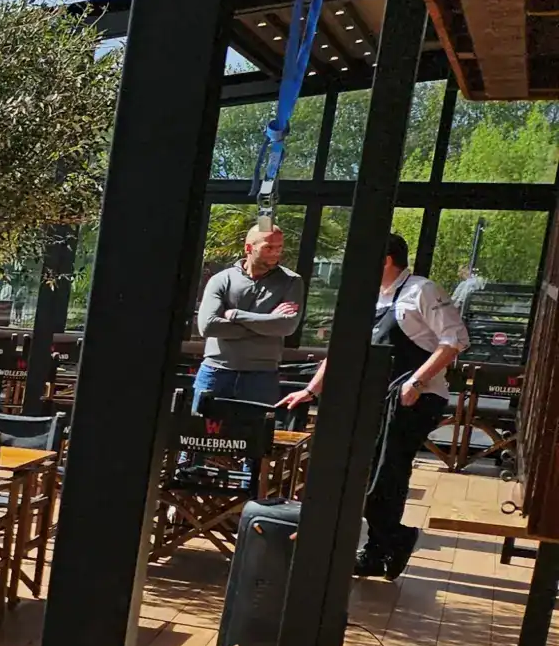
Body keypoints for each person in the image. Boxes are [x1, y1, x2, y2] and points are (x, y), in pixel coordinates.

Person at [278, 231, 466, 579]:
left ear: (386, 260)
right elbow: (342, 349)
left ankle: (389, 542)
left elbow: (455, 340)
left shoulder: (422, 290)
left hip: (415, 399)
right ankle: (383, 547)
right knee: (366, 475)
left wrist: (416, 382)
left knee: (385, 475)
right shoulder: (369, 297)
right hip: (374, 400)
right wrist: (311, 391)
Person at [192, 218, 304, 409]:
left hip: (261, 376)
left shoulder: (291, 281)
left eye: (279, 247)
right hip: (216, 370)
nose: (276, 253)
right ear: (249, 248)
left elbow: (286, 326)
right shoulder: (221, 280)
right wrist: (266, 324)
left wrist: (235, 315)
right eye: (269, 248)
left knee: (256, 427)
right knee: (201, 427)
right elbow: (208, 326)